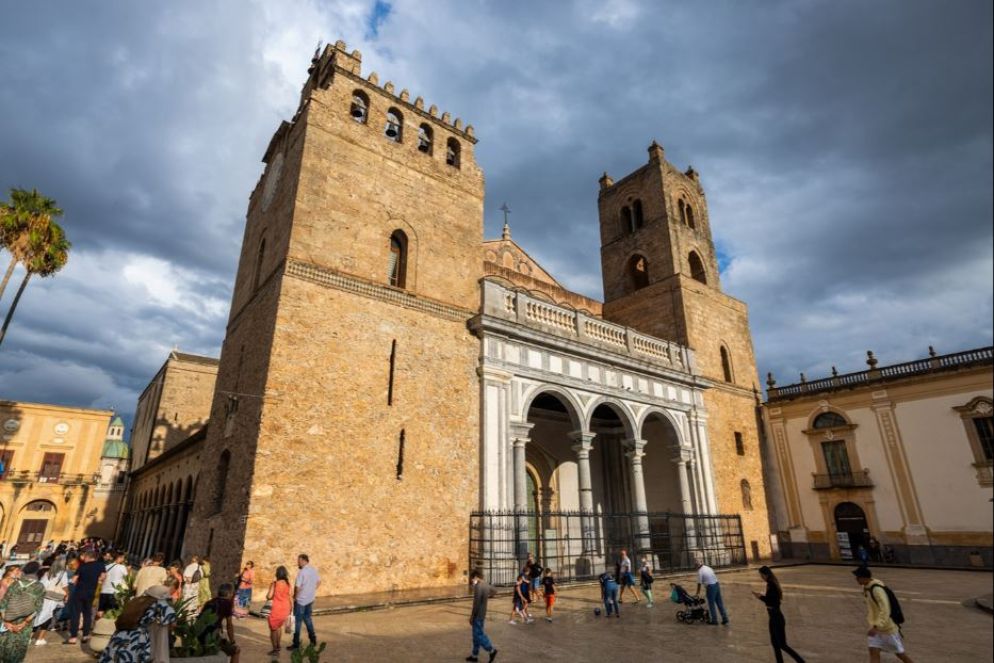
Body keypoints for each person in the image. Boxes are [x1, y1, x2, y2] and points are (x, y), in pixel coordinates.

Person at [98, 584, 177, 663]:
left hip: (119, 635)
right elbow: (171, 619)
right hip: (138, 637)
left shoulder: (136, 601)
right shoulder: (160, 603)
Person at [853, 567, 914, 663]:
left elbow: (885, 609)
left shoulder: (877, 589)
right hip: (875, 628)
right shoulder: (866, 587)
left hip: (887, 629)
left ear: (865, 578)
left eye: (858, 578)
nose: (856, 580)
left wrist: (877, 625)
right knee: (873, 652)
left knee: (900, 654)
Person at [752, 566, 805, 662]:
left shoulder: (771, 584)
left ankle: (801, 661)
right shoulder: (771, 583)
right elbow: (772, 599)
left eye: (761, 575)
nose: (761, 577)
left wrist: (760, 597)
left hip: (777, 617)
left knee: (782, 645)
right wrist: (763, 596)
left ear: (766, 574)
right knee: (775, 643)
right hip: (773, 617)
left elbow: (773, 602)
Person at [0, 561, 44, 663]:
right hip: (25, 626)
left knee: (4, 649)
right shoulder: (39, 587)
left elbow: (3, 605)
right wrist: (23, 624)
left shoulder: (14, 584)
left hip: (8, 621)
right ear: (37, 571)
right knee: (18, 652)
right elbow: (37, 609)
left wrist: (6, 622)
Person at [68, 549, 106, 644]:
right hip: (91, 592)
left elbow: (74, 579)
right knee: (87, 614)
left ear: (88, 557)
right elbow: (103, 577)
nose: (83, 558)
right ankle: (85, 635)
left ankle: (73, 637)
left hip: (79, 591)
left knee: (75, 614)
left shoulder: (82, 566)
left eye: (84, 557)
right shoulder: (100, 565)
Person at [32, 558, 69, 646]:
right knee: (48, 616)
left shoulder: (47, 573)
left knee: (38, 615)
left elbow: (42, 585)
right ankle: (40, 639)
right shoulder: (63, 573)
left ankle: (30, 636)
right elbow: (65, 586)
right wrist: (67, 594)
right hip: (53, 599)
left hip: (44, 597)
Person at [200, 583, 240, 663]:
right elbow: (229, 626)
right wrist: (232, 642)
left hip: (200, 636)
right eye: (232, 594)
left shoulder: (210, 602)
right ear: (229, 594)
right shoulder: (227, 603)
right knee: (236, 650)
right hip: (211, 638)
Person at [467, 569, 498, 662]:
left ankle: (491, 650)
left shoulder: (478, 586)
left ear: (476, 577)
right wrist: (486, 597)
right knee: (475, 635)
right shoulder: (485, 584)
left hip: (478, 615)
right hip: (482, 614)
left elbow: (476, 604)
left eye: (472, 579)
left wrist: (472, 617)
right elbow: (495, 591)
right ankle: (474, 655)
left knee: (478, 635)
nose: (472, 581)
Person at [290, 553, 319, 651]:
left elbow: (297, 587)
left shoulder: (302, 572)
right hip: (310, 599)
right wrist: (311, 590)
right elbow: (319, 582)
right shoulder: (313, 570)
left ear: (303, 560)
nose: (298, 563)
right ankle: (313, 640)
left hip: (301, 600)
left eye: (299, 561)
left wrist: (295, 597)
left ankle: (296, 644)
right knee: (308, 619)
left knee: (298, 622)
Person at [266, 566, 292, 655]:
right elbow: (290, 596)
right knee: (279, 627)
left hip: (276, 609)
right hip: (285, 609)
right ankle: (278, 645)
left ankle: (275, 649)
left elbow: (269, 596)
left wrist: (271, 589)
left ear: (277, 574)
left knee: (273, 629)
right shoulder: (288, 584)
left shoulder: (275, 584)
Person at [695, 559, 728, 625]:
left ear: (697, 565)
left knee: (711, 604)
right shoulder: (708, 567)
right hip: (716, 584)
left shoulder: (700, 571)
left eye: (695, 565)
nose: (695, 566)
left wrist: (697, 593)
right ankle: (725, 618)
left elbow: (699, 584)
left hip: (710, 587)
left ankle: (714, 620)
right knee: (719, 603)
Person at [97, 551, 128, 618]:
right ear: (120, 558)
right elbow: (126, 579)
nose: (124, 559)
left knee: (101, 610)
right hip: (115, 592)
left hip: (104, 591)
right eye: (123, 558)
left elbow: (102, 578)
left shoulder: (107, 566)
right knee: (112, 613)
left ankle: (98, 625)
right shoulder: (122, 567)